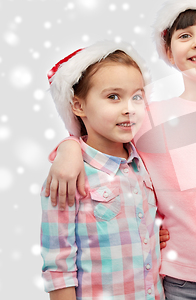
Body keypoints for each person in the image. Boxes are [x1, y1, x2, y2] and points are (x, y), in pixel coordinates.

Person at [44, 0, 196, 300]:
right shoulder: (146, 117)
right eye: (185, 35)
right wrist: (68, 148)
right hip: (180, 280)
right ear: (169, 51)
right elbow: (98, 138)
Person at [41, 41, 164, 299]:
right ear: (78, 106)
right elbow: (59, 263)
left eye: (137, 96)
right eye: (113, 97)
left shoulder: (142, 160)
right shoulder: (68, 175)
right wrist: (68, 148)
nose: (128, 108)